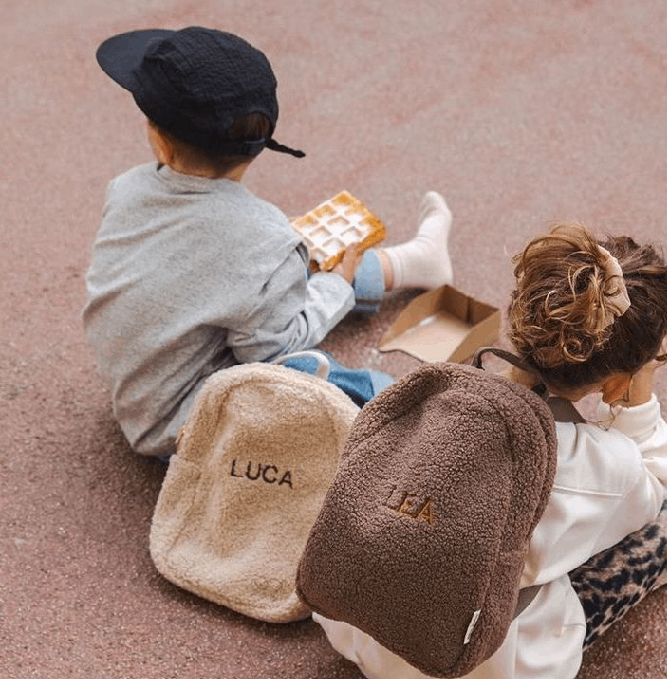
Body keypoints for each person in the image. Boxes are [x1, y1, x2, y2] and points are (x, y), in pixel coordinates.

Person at [313, 223, 667, 679]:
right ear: (617, 380)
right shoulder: (599, 464)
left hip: (357, 632)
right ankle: (652, 568)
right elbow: (651, 479)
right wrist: (635, 397)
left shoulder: (428, 396)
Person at [84, 26, 453, 457]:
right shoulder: (266, 240)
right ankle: (428, 439)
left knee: (284, 268)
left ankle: (416, 263)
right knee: (339, 380)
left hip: (140, 390)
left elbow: (205, 261)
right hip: (189, 431)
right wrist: (334, 287)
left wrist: (282, 255)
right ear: (258, 146)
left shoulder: (126, 189)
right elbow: (274, 348)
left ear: (159, 139)